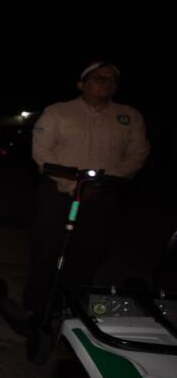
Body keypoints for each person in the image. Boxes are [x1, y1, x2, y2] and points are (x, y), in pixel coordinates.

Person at [23, 60, 150, 316]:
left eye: (111, 79)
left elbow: (137, 153)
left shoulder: (128, 116)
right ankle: (36, 306)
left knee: (90, 252)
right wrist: (73, 184)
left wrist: (103, 182)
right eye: (98, 78)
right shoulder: (59, 112)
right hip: (60, 193)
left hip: (103, 195)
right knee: (47, 249)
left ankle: (71, 306)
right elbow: (42, 152)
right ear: (82, 84)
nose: (106, 83)